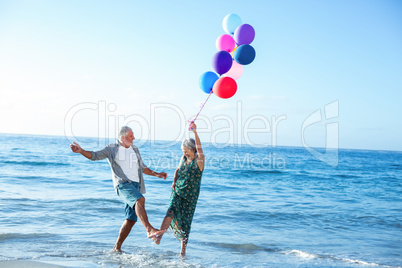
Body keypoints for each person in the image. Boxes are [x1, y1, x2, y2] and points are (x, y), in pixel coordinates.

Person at [70, 126, 167, 252]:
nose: (134, 138)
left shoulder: (135, 149)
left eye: (133, 135)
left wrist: (156, 174)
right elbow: (94, 155)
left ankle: (117, 248)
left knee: (131, 220)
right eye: (131, 136)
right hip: (122, 184)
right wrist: (81, 150)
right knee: (140, 200)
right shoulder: (112, 149)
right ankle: (149, 229)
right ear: (122, 137)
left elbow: (142, 167)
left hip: (135, 185)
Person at [154, 122, 205, 256]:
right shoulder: (183, 158)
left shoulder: (199, 161)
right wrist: (174, 180)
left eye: (186, 151)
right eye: (183, 152)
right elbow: (177, 170)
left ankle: (183, 251)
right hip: (177, 192)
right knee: (170, 211)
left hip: (190, 197)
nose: (184, 154)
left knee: (185, 222)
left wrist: (195, 132)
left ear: (193, 150)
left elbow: (200, 149)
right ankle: (159, 236)